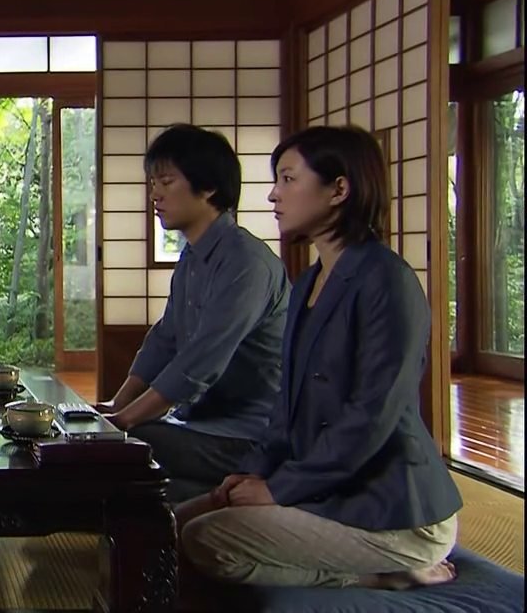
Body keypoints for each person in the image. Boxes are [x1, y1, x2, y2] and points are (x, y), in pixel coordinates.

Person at [176, 124, 463, 590]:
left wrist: (278, 490)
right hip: (331, 490)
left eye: (288, 179)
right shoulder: (310, 281)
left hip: (395, 509)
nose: (273, 194)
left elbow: (372, 416)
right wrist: (251, 474)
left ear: (339, 190)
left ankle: (381, 574)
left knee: (205, 539)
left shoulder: (386, 281)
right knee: (167, 526)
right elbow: (285, 409)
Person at [97, 124, 289, 503]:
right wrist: (116, 405)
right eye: (153, 183)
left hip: (247, 435)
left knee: (120, 445)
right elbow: (165, 338)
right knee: (110, 445)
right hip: (198, 422)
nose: (155, 194)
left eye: (167, 182)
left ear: (209, 187)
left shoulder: (246, 263)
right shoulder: (192, 256)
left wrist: (125, 421)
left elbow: (201, 361)